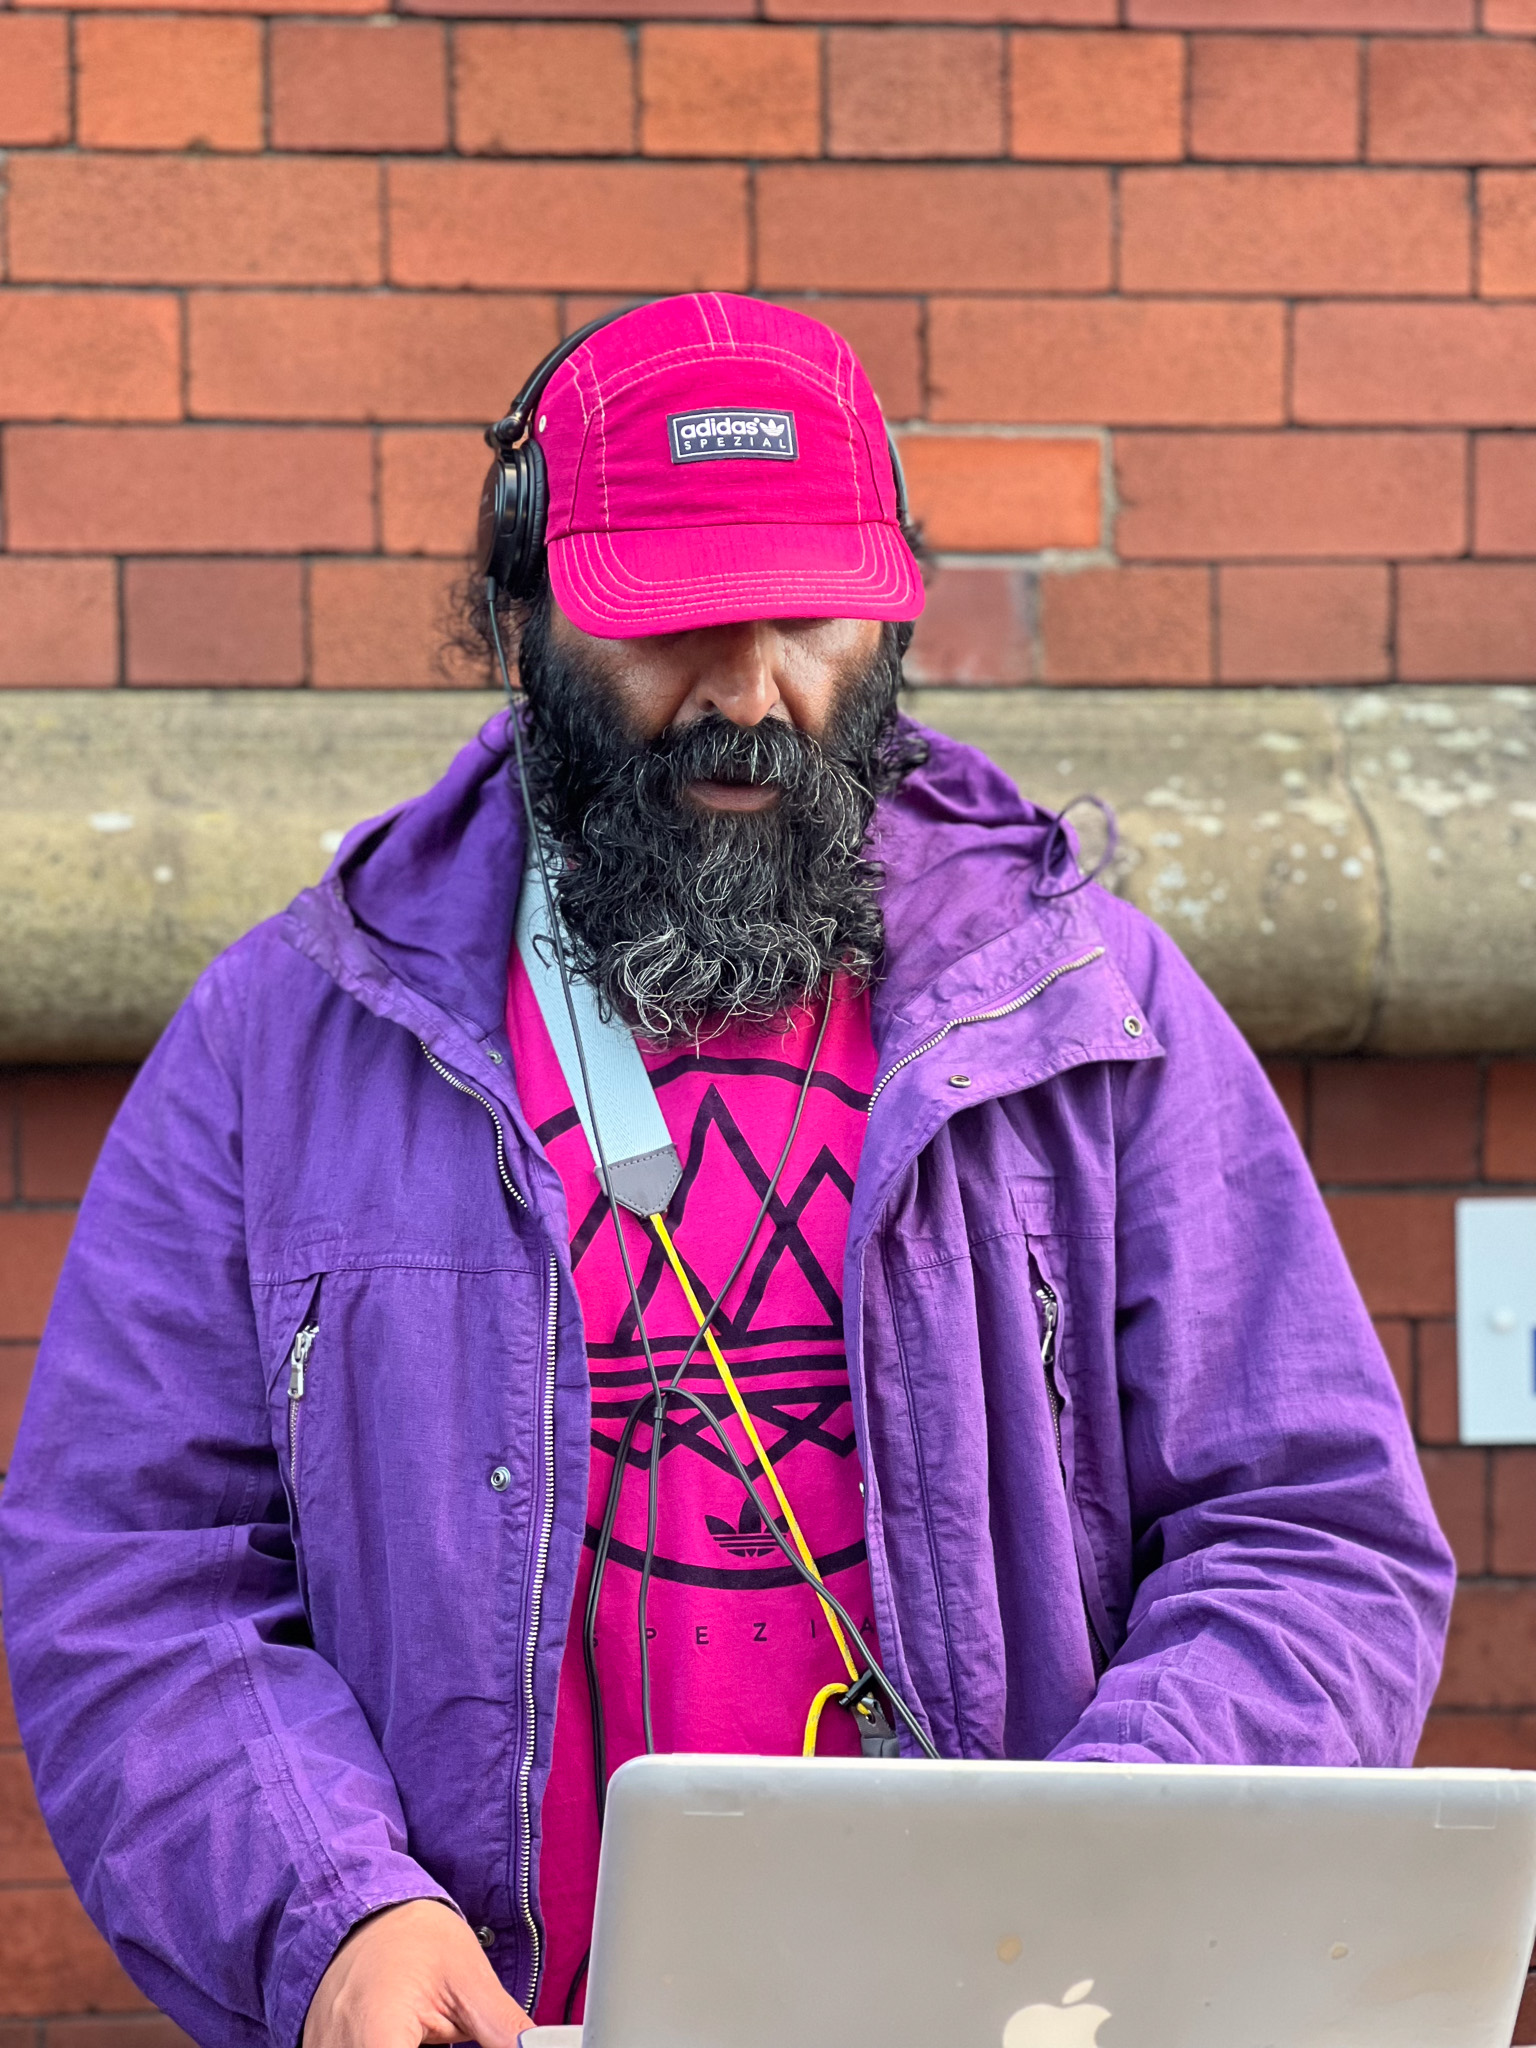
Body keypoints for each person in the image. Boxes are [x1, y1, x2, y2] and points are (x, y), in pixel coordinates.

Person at [0, 295, 1453, 2048]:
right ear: (517, 615)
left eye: (812, 614)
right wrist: (335, 1917)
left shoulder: (1098, 1014)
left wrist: (1105, 1862)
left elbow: (1314, 1534)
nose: (753, 692)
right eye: (672, 621)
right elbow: (134, 1573)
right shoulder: (282, 1043)